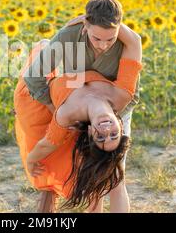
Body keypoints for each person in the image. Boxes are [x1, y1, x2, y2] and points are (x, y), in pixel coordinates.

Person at [14, 11, 142, 212]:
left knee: (112, 179)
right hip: (74, 97)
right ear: (119, 124)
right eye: (114, 134)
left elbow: (47, 143)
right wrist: (94, 18)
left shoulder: (67, 115)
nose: (107, 130)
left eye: (101, 137)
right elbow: (134, 41)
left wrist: (31, 160)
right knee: (109, 176)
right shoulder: (123, 95)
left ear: (91, 131)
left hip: (43, 102)